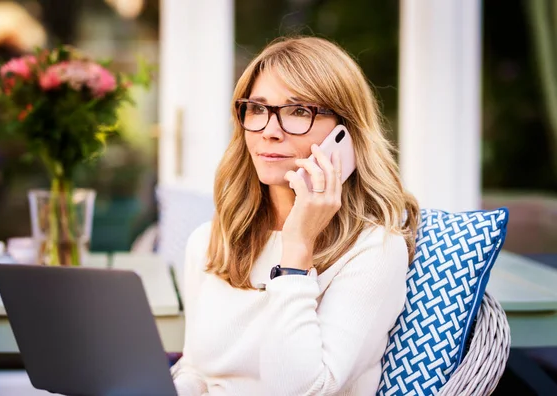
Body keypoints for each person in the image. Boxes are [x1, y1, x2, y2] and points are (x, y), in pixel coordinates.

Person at [171, 36, 419, 396]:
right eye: (256, 109)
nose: (270, 131)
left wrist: (297, 248)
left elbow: (303, 390)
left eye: (299, 111)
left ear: (345, 135)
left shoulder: (375, 250)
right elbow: (195, 370)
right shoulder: (210, 241)